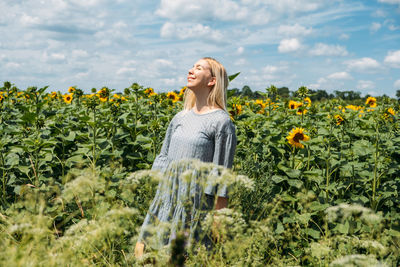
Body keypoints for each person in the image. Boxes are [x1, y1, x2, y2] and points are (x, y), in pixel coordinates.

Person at [134, 57, 236, 258]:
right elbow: (164, 156)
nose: (191, 70)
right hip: (166, 198)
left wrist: (217, 220)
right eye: (192, 66)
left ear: (212, 81)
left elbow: (221, 174)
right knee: (143, 253)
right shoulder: (180, 118)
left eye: (199, 68)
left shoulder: (221, 122)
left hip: (194, 204)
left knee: (182, 258)